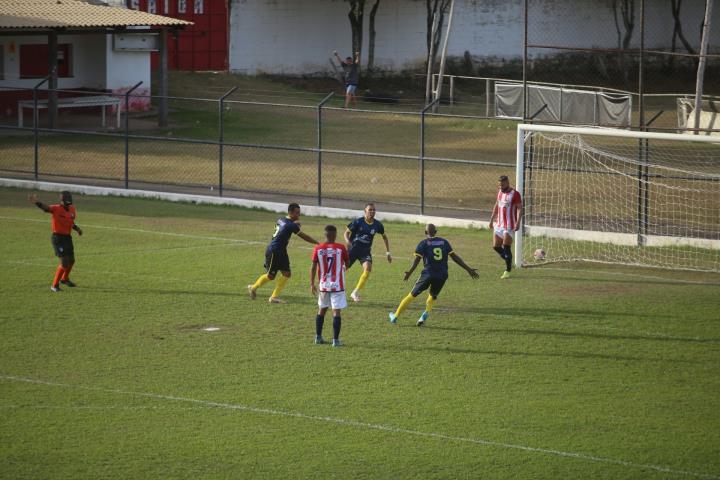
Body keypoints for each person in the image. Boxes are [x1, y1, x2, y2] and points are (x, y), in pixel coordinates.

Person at [389, 224, 478, 326]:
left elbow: (417, 260)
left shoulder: (423, 243)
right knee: (433, 295)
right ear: (436, 232)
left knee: (412, 295)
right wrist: (468, 269)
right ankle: (425, 314)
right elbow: (455, 257)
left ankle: (395, 316)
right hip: (442, 275)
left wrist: (409, 272)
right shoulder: (444, 242)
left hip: (428, 274)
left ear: (425, 233)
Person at [248, 203, 318, 303]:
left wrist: (295, 224)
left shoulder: (281, 219)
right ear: (290, 212)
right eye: (297, 213)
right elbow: (303, 236)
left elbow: (285, 226)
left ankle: (273, 297)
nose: (299, 215)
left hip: (281, 251)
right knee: (270, 276)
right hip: (274, 251)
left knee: (287, 273)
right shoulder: (291, 225)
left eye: (299, 213)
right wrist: (317, 243)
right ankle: (253, 288)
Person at [28, 191, 83, 292]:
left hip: (67, 237)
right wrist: (36, 202)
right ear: (62, 200)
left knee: (71, 260)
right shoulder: (56, 208)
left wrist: (77, 229)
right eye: (67, 201)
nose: (69, 203)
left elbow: (70, 221)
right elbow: (46, 208)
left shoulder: (72, 209)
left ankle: (65, 279)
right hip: (58, 238)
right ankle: (54, 285)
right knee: (64, 263)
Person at [310, 225, 350, 347]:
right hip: (337, 285)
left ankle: (318, 337)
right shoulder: (341, 248)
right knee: (336, 312)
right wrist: (342, 268)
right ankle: (335, 341)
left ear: (325, 235)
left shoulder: (318, 248)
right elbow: (347, 264)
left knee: (321, 310)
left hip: (323, 285)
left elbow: (313, 267)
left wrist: (312, 283)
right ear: (335, 235)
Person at [344, 202, 391, 303]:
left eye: (373, 210)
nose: (372, 212)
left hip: (365, 252)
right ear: (365, 211)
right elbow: (346, 233)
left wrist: (388, 253)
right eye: (370, 210)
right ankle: (334, 289)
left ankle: (355, 292)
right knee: (342, 270)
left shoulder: (378, 225)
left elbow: (385, 237)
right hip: (353, 250)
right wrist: (348, 242)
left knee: (368, 268)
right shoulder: (358, 222)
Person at [489, 175, 522, 279]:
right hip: (499, 224)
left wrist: (518, 222)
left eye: (502, 184)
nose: (501, 187)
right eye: (499, 185)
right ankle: (508, 260)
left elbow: (519, 209)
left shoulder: (515, 194)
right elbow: (496, 206)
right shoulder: (500, 192)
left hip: (509, 225)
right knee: (496, 246)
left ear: (507, 183)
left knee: (506, 247)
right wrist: (491, 220)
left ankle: (507, 270)